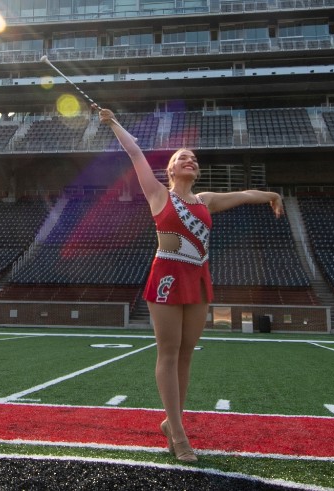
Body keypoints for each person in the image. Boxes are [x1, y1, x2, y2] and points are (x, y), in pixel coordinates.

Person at [97, 105, 283, 462]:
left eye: (194, 158)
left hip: (198, 278)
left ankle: (173, 422)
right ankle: (179, 435)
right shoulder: (157, 194)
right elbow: (134, 151)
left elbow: (244, 195)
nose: (191, 160)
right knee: (168, 351)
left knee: (186, 354)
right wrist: (113, 122)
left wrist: (271, 195)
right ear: (170, 169)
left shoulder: (205, 201)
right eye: (184, 157)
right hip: (166, 275)